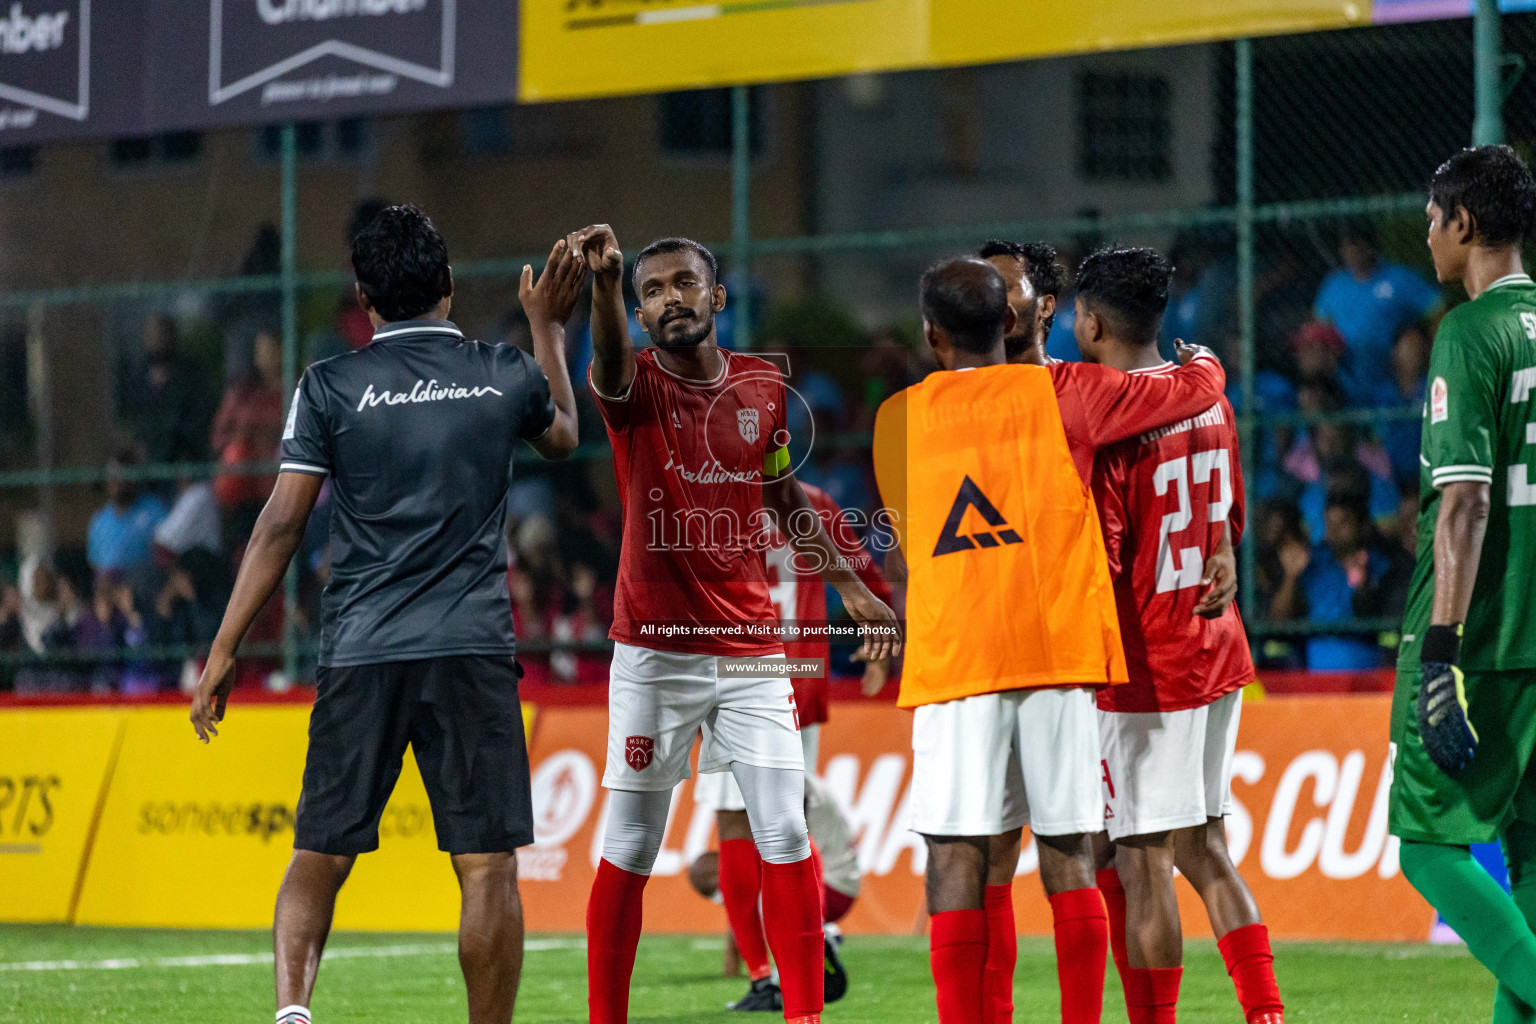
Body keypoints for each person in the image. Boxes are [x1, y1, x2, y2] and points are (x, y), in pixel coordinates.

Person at [188, 205, 583, 1024]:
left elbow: (280, 525)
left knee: (319, 853)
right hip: (471, 647)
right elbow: (566, 437)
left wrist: (225, 646)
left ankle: (293, 1013)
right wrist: (548, 327)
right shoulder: (503, 371)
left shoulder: (327, 385)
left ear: (364, 299)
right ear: (446, 284)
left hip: (362, 647)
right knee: (486, 868)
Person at [870, 257, 1226, 1024]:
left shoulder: (895, 420)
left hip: (956, 661)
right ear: (1012, 323)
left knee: (957, 856)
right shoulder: (1071, 395)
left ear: (932, 335)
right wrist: (1208, 362)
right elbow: (1184, 394)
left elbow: (903, 548)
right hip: (1057, 654)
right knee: (1070, 855)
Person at [572, 223, 899, 1024]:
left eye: (683, 283)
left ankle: (803, 1014)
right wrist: (604, 287)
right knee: (632, 846)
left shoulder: (760, 389)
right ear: (640, 316)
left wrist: (853, 583)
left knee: (784, 829)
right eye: (651, 292)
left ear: (716, 297)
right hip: (654, 651)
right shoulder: (632, 386)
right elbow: (607, 359)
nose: (669, 299)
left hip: (753, 648)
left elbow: (785, 500)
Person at [1073, 247, 1283, 1024]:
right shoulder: (1209, 400)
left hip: (1147, 670)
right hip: (1216, 645)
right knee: (1205, 847)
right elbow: (1224, 524)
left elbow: (1107, 560)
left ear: (1091, 323)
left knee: (1142, 862)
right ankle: (1265, 1011)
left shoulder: (1118, 423)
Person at [1387, 144, 1536, 1021]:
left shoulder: (1469, 333)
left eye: (1434, 218)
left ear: (1465, 224)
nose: (1428, 235)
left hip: (1479, 638)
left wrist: (1440, 646)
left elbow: (1465, 502)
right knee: (1528, 856)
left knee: (1428, 851)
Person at [692, 479, 890, 1011]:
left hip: (732, 672)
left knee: (735, 825)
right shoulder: (816, 502)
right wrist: (879, 645)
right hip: (796, 679)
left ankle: (765, 977)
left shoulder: (707, 498)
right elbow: (868, 578)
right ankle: (808, 948)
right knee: (790, 826)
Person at [1313, 220, 1442, 405]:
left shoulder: (1398, 278)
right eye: (1345, 245)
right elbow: (1320, 328)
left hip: (1389, 369)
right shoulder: (1334, 285)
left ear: (1370, 245)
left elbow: (1437, 309)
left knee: (1410, 343)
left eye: (1355, 244)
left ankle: (1407, 406)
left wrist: (1434, 354)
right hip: (1346, 368)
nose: (1350, 251)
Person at [977, 239, 1066, 366]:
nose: (987, 299)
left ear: (1046, 306)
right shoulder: (960, 384)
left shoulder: (1084, 383)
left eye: (1004, 287)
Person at [87, 452, 169, 576]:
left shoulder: (153, 510)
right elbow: (95, 564)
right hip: (108, 588)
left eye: (121, 474)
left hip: (142, 585)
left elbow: (165, 556)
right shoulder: (100, 519)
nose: (116, 481)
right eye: (111, 475)